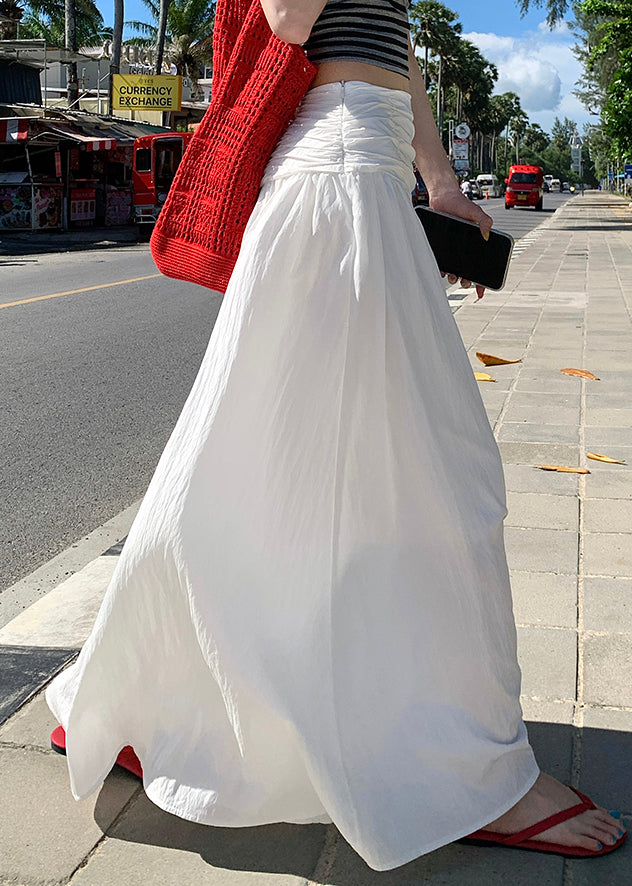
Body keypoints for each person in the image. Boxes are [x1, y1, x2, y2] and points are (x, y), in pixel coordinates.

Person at [47, 0, 626, 871]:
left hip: (369, 179)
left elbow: (398, 51)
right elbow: (286, 17)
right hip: (334, 181)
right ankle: (469, 774)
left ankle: (145, 696)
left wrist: (440, 181)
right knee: (401, 483)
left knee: (277, 467)